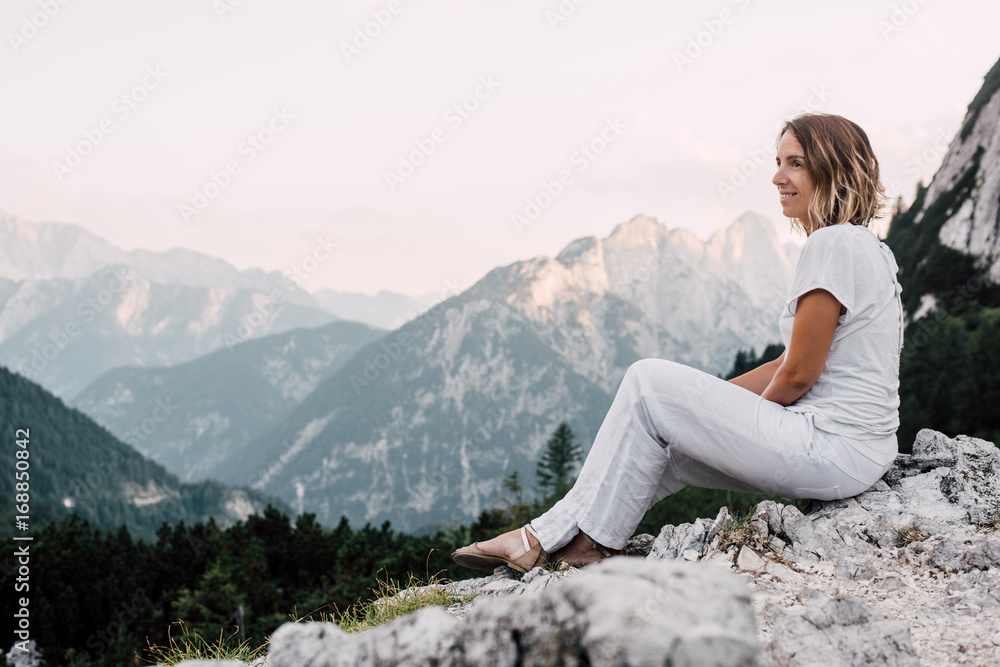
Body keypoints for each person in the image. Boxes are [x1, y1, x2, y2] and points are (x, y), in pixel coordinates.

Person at [451, 113, 904, 573]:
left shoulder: (833, 245)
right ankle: (576, 546)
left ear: (832, 170)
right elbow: (790, 362)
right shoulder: (865, 247)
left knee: (646, 379)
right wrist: (714, 407)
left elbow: (799, 374)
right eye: (778, 162)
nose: (777, 177)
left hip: (832, 449)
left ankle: (537, 538)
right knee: (664, 443)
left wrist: (746, 423)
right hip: (856, 453)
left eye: (796, 164)